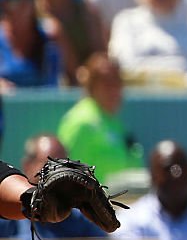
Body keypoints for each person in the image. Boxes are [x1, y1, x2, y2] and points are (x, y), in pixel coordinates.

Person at [57, 53, 144, 181]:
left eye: (117, 81)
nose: (114, 89)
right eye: (106, 82)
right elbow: (68, 173)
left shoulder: (114, 123)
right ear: (92, 85)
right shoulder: (81, 122)